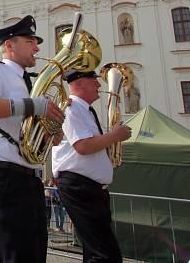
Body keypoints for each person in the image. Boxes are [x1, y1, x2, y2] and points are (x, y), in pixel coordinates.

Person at [0, 15, 65, 263]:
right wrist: (31, 105)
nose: (37, 47)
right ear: (10, 45)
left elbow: (48, 141)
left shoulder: (31, 84)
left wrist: (53, 128)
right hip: (3, 177)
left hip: (29, 180)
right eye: (30, 40)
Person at [52, 69, 131, 263]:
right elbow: (83, 146)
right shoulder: (71, 109)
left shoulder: (84, 110)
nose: (99, 85)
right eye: (93, 81)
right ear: (79, 84)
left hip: (90, 188)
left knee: (96, 252)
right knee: (105, 254)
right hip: (80, 186)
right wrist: (115, 136)